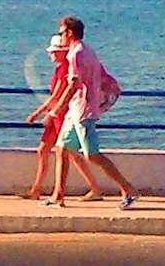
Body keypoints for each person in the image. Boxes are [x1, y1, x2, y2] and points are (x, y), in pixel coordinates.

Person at [41, 16, 138, 210]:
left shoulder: (75, 55)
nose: (60, 36)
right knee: (62, 149)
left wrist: (55, 110)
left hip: (82, 110)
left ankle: (128, 189)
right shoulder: (88, 50)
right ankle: (58, 195)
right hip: (77, 109)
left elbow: (73, 85)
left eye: (61, 33)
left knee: (92, 155)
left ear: (69, 33)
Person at [19, 26, 75, 201]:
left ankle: (94, 187)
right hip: (55, 114)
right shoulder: (60, 69)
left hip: (60, 115)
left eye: (55, 52)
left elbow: (56, 96)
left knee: (70, 154)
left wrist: (38, 114)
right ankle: (36, 189)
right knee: (44, 150)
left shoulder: (65, 69)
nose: (51, 55)